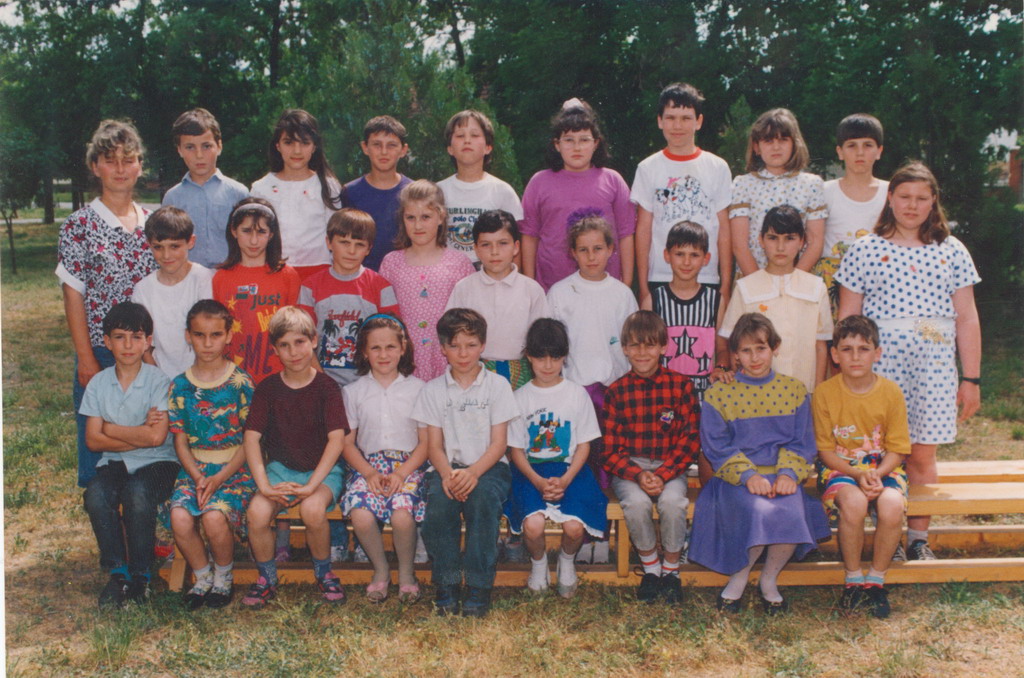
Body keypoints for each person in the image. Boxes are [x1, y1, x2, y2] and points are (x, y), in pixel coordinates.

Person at [836, 162, 982, 561]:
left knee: (920, 454)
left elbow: (966, 318)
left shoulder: (951, 250)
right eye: (904, 197)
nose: (912, 205)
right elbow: (848, 318)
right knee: (878, 451)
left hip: (933, 367)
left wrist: (971, 378)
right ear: (890, 198)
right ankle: (884, 535)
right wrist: (848, 371)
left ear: (933, 201)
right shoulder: (866, 248)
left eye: (921, 198)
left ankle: (917, 539)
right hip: (880, 369)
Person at [689, 313, 830, 614]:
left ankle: (769, 579)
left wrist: (788, 474)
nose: (754, 358)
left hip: (781, 474)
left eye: (761, 348)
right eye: (746, 350)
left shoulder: (794, 390)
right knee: (757, 509)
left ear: (775, 348)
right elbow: (716, 445)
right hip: (735, 479)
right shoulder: (719, 394)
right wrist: (749, 476)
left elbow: (802, 441)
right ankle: (739, 577)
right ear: (735, 355)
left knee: (790, 508)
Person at [57, 119, 157, 487]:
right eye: (110, 160)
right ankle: (106, 516)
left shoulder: (152, 223)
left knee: (147, 448)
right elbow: (73, 293)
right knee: (100, 452)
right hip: (101, 353)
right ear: (95, 166)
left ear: (139, 166)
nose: (120, 169)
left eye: (128, 160)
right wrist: (86, 358)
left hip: (147, 354)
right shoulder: (78, 225)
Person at [412, 308, 519, 617]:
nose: (463, 353)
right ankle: (446, 583)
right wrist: (448, 475)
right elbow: (433, 446)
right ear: (443, 348)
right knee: (438, 506)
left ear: (482, 345)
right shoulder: (432, 390)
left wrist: (473, 473)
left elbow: (499, 444)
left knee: (483, 501)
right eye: (455, 345)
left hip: (489, 467)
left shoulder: (497, 386)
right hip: (445, 468)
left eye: (471, 345)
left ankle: (478, 584)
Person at [240, 307, 350, 608]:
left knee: (313, 510)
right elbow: (251, 438)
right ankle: (266, 578)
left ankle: (324, 573)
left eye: (300, 342)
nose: (293, 352)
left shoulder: (327, 387)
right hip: (280, 470)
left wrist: (312, 485)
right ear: (275, 350)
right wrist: (264, 486)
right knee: (257, 513)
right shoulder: (268, 389)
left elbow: (336, 440)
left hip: (322, 472)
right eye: (284, 345)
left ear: (313, 341)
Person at [81, 302, 179, 607]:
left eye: (136, 337)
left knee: (137, 495)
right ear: (107, 342)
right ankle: (118, 573)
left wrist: (109, 428)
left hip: (159, 463)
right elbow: (93, 440)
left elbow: (156, 438)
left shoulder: (159, 381)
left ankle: (141, 576)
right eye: (119, 337)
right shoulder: (98, 383)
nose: (127, 345)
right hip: (114, 462)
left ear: (148, 341)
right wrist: (139, 433)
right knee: (96, 495)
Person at [813, 315, 909, 618]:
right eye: (847, 349)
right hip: (840, 468)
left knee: (892, 505)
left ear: (877, 353)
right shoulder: (825, 393)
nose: (855, 357)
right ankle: (853, 579)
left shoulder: (891, 392)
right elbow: (825, 451)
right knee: (853, 503)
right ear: (834, 354)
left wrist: (877, 473)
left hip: (884, 468)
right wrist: (857, 473)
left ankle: (876, 580)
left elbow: (898, 449)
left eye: (864, 349)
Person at [602, 311, 700, 605]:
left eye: (649, 345)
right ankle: (651, 569)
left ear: (663, 347)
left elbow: (690, 441)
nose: (642, 353)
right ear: (624, 348)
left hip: (670, 466)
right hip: (630, 468)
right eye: (634, 345)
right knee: (636, 503)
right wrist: (638, 474)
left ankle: (671, 570)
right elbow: (610, 450)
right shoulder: (616, 392)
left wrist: (664, 473)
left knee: (672, 502)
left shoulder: (681, 386)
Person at [507, 318, 606, 598]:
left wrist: (566, 479)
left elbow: (585, 445)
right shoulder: (520, 397)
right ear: (529, 356)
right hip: (530, 471)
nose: (548, 365)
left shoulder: (577, 394)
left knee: (574, 528)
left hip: (571, 470)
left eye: (555, 357)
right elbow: (516, 450)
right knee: (533, 525)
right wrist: (538, 481)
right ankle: (538, 565)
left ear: (565, 356)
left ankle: (566, 561)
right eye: (540, 357)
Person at [168, 300, 256, 610]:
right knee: (180, 517)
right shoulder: (180, 386)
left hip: (234, 470)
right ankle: (202, 575)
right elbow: (180, 441)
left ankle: (223, 576)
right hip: (195, 469)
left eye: (216, 335)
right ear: (188, 336)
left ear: (228, 336)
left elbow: (250, 441)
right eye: (199, 335)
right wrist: (198, 476)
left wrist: (218, 478)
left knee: (214, 517)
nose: (207, 343)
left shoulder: (241, 383)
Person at [340, 314, 428, 603]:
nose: (383, 354)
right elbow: (347, 443)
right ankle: (380, 570)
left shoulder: (419, 389)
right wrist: (368, 473)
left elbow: (426, 443)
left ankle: (407, 573)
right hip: (369, 467)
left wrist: (402, 473)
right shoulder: (353, 392)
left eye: (390, 347)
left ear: (403, 348)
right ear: (364, 352)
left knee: (402, 515)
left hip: (409, 466)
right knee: (361, 514)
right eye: (375, 348)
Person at [632, 82, 733, 310]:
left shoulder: (717, 167)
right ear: (660, 121)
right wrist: (644, 287)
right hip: (660, 276)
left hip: (706, 277)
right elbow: (643, 230)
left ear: (699, 121)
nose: (678, 126)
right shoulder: (647, 168)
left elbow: (724, 230)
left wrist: (725, 285)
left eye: (686, 118)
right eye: (670, 117)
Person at [521, 98, 635, 291]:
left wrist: (627, 283)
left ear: (596, 143)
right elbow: (529, 236)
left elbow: (626, 235)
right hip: (550, 288)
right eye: (568, 140)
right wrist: (531, 286)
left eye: (584, 140)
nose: (577, 147)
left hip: (605, 289)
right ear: (557, 144)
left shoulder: (613, 181)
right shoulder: (539, 182)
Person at [719, 205, 832, 394]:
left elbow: (821, 346)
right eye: (773, 238)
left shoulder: (816, 287)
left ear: (802, 242)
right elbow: (734, 344)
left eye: (789, 238)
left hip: (803, 392)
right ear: (761, 240)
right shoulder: (745, 287)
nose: (780, 247)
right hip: (757, 394)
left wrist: (817, 393)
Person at [380, 180, 475, 381]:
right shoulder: (391, 263)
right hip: (403, 363)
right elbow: (384, 318)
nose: (418, 225)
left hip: (448, 363)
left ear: (440, 217)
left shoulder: (459, 263)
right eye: (410, 217)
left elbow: (470, 318)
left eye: (425, 217)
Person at [445, 209, 548, 389]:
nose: (494, 252)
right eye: (486, 245)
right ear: (476, 249)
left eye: (502, 243)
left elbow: (542, 339)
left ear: (516, 247)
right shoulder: (464, 288)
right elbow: (450, 333)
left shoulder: (531, 290)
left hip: (522, 373)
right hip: (474, 373)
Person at [298, 207, 399, 389]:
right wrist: (322, 382)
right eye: (344, 242)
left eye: (359, 244)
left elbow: (392, 339)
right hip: (322, 383)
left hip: (370, 385)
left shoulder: (381, 286)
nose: (351, 251)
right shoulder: (310, 287)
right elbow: (302, 339)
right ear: (329, 242)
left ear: (369, 248)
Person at [212, 198, 301, 384]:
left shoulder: (288, 276)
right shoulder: (220, 278)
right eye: (246, 231)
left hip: (279, 376)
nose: (254, 241)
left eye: (261, 232)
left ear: (271, 234)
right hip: (234, 377)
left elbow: (295, 331)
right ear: (234, 231)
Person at [729, 108, 827, 275]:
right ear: (756, 147)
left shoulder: (812, 184)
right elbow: (739, 245)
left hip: (798, 280)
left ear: (794, 144)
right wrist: (760, 284)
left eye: (783, 140)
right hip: (752, 278)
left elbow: (815, 242)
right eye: (768, 141)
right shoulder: (743, 184)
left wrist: (793, 283)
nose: (776, 147)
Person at [251, 109, 341, 280]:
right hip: (274, 272)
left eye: (305, 143)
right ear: (278, 145)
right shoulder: (261, 188)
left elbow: (336, 235)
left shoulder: (328, 186)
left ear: (314, 146)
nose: (297, 151)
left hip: (318, 273)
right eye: (289, 142)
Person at [814, 114, 888, 319]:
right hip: (831, 281)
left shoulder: (891, 193)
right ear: (840, 152)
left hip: (878, 280)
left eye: (868, 145)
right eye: (852, 145)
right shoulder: (824, 191)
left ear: (879, 151)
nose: (860, 152)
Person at [647, 220, 730, 400]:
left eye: (694, 255)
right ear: (667, 255)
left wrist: (720, 368)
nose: (686, 262)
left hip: (703, 397)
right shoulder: (653, 300)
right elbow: (646, 351)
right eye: (679, 254)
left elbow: (722, 348)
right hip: (664, 396)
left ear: (706, 258)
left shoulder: (715, 300)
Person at [131, 206, 214, 379]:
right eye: (158, 247)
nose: (166, 255)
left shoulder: (205, 280)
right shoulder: (143, 289)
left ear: (191, 241)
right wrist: (159, 381)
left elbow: (211, 336)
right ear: (149, 245)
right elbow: (143, 345)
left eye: (174, 246)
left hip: (203, 375)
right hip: (160, 377)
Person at [161, 108, 249, 268]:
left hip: (229, 275)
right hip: (187, 277)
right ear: (179, 150)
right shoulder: (172, 198)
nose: (199, 155)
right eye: (190, 147)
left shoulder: (238, 193)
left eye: (206, 146)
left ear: (219, 146)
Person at [438, 110, 524, 266]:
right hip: (448, 272)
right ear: (450, 148)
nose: (467, 141)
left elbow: (516, 241)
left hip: (491, 271)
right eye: (460, 136)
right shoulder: (438, 192)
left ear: (488, 147)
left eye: (475, 135)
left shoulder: (502, 191)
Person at [342, 115, 412, 271]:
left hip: (405, 275)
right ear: (365, 147)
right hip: (362, 276)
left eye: (391, 145)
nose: (384, 152)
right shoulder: (350, 192)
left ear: (403, 150)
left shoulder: (413, 192)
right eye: (376, 144)